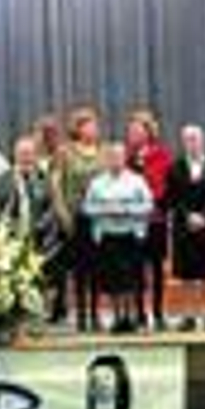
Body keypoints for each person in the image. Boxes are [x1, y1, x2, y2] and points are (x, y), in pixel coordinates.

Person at [82, 143, 154, 334]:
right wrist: (107, 209)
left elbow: (148, 205)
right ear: (107, 160)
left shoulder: (137, 180)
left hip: (130, 236)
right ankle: (116, 317)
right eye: (112, 157)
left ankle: (130, 316)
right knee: (113, 281)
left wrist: (127, 209)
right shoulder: (97, 182)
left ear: (125, 159)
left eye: (119, 157)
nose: (115, 160)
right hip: (108, 237)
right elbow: (87, 208)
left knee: (130, 280)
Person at [0, 136, 62, 314]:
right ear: (15, 155)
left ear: (35, 155)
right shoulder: (4, 179)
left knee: (41, 277)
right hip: (12, 238)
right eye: (22, 153)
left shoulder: (42, 178)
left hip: (38, 237)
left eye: (29, 154)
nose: (26, 157)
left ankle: (40, 312)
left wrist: (41, 226)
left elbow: (51, 207)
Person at [167, 125, 205, 332]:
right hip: (184, 228)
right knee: (187, 275)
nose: (191, 143)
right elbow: (173, 197)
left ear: (203, 141)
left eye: (195, 139)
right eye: (187, 139)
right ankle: (189, 316)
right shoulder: (175, 167)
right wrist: (188, 216)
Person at [50, 108, 104, 331]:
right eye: (89, 125)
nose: (93, 129)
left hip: (99, 218)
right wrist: (63, 215)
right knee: (80, 269)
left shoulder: (103, 152)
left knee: (97, 268)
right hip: (76, 218)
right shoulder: (65, 153)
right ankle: (81, 314)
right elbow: (56, 186)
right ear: (78, 128)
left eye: (95, 125)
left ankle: (95, 313)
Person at [126, 112, 174, 331]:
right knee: (136, 268)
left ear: (148, 131)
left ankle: (158, 311)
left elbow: (165, 185)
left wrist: (152, 203)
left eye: (138, 130)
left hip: (156, 219)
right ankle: (139, 313)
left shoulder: (161, 154)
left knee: (156, 268)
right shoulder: (126, 156)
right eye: (131, 130)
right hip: (133, 221)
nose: (134, 134)